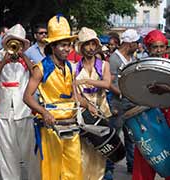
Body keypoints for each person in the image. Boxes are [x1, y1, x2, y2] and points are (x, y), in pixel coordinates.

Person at [23, 15, 89, 180]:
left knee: (74, 171)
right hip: (51, 128)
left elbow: (74, 94)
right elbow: (27, 97)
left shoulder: (70, 67)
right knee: (52, 172)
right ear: (53, 46)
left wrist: (89, 105)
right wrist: (44, 112)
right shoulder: (41, 68)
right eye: (63, 45)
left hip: (71, 126)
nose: (68, 49)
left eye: (69, 45)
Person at [0, 24, 40, 180]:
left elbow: (36, 76)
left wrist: (23, 56)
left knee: (30, 153)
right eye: (12, 41)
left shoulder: (28, 58)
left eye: (18, 42)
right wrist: (4, 61)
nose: (15, 44)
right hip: (4, 111)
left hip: (25, 111)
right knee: (7, 153)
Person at [132, 29, 170, 180]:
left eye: (162, 47)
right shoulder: (141, 67)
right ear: (148, 48)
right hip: (147, 118)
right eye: (155, 47)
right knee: (145, 157)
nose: (159, 50)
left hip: (168, 116)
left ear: (166, 47)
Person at [75, 27, 112, 180]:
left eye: (93, 44)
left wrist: (87, 81)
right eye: (86, 44)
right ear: (81, 47)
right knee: (83, 153)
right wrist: (85, 105)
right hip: (84, 115)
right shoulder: (74, 66)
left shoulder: (104, 65)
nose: (90, 48)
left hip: (102, 113)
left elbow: (107, 84)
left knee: (101, 152)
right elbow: (74, 93)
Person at [109, 29, 141, 174]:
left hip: (131, 102)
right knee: (114, 137)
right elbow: (110, 83)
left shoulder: (132, 58)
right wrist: (124, 93)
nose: (138, 45)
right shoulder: (114, 59)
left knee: (131, 136)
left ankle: (131, 165)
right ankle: (108, 169)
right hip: (118, 103)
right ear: (129, 44)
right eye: (136, 43)